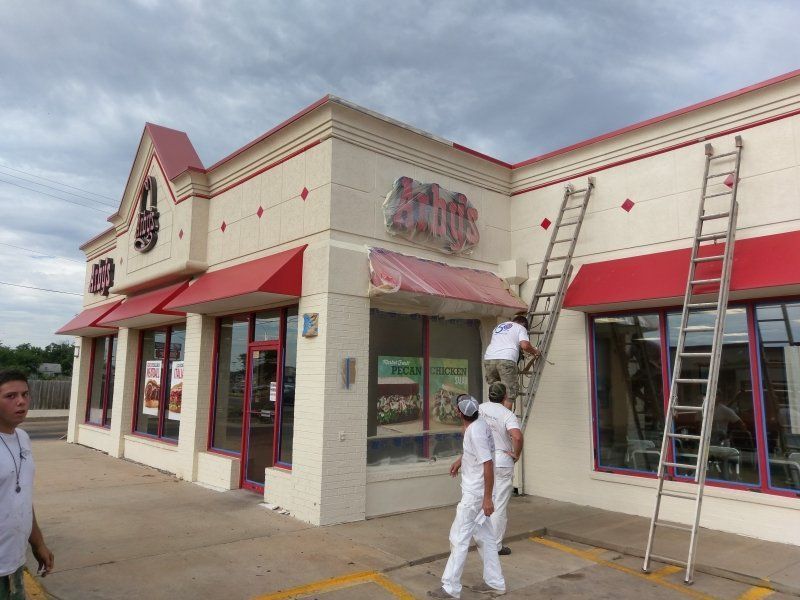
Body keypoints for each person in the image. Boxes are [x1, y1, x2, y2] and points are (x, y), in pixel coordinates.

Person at [429, 395, 505, 598]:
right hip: (480, 493)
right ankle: (495, 583)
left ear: (459, 413)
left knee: (458, 538)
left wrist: (487, 498)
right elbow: (477, 453)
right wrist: (461, 460)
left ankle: (450, 588)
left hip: (475, 496)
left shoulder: (475, 432)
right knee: (486, 538)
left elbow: (487, 463)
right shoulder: (479, 424)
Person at [0, 369, 54, 600]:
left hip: (14, 563)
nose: (21, 401)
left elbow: (20, 496)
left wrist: (38, 543)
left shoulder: (23, 438)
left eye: (25, 394)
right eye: (10, 396)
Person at [480, 383, 522, 556]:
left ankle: (481, 539)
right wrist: (516, 454)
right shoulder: (507, 414)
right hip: (502, 462)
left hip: (483, 460)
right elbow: (517, 437)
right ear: (505, 396)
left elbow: (467, 430)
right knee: (499, 506)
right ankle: (495, 546)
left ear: (489, 394)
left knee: (484, 500)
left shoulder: (479, 409)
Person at [483, 315, 540, 405]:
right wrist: (535, 351)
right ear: (524, 325)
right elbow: (525, 345)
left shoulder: (499, 327)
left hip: (489, 359)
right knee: (510, 393)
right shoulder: (521, 328)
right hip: (506, 359)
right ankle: (506, 419)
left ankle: (494, 416)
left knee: (496, 392)